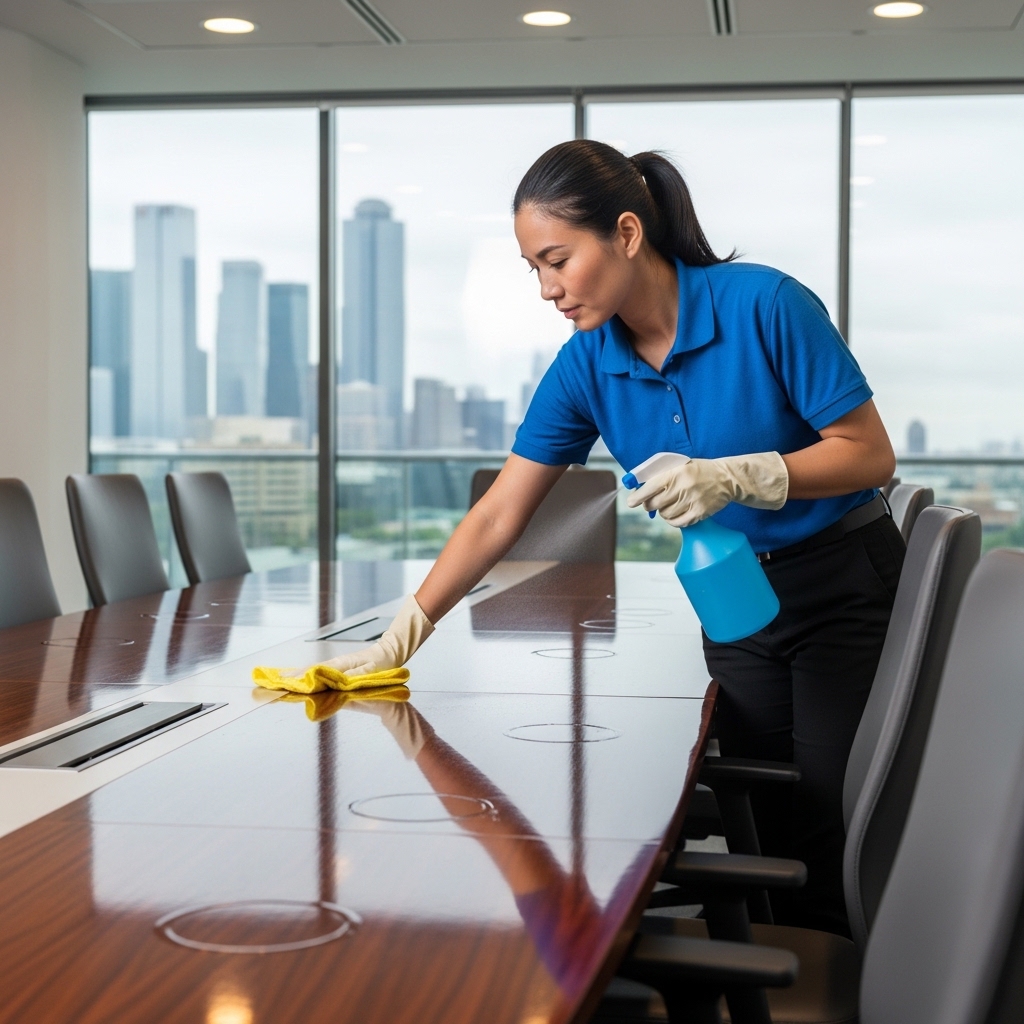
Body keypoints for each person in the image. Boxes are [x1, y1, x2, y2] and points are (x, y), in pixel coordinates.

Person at [317, 139, 901, 936]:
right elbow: (499, 513)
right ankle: (775, 971)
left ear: (626, 233)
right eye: (534, 269)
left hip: (844, 584)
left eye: (557, 260)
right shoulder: (587, 364)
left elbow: (870, 453)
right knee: (762, 814)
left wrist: (744, 475)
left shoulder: (765, 304)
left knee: (829, 815)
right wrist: (402, 635)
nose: (548, 289)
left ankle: (840, 982)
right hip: (733, 598)